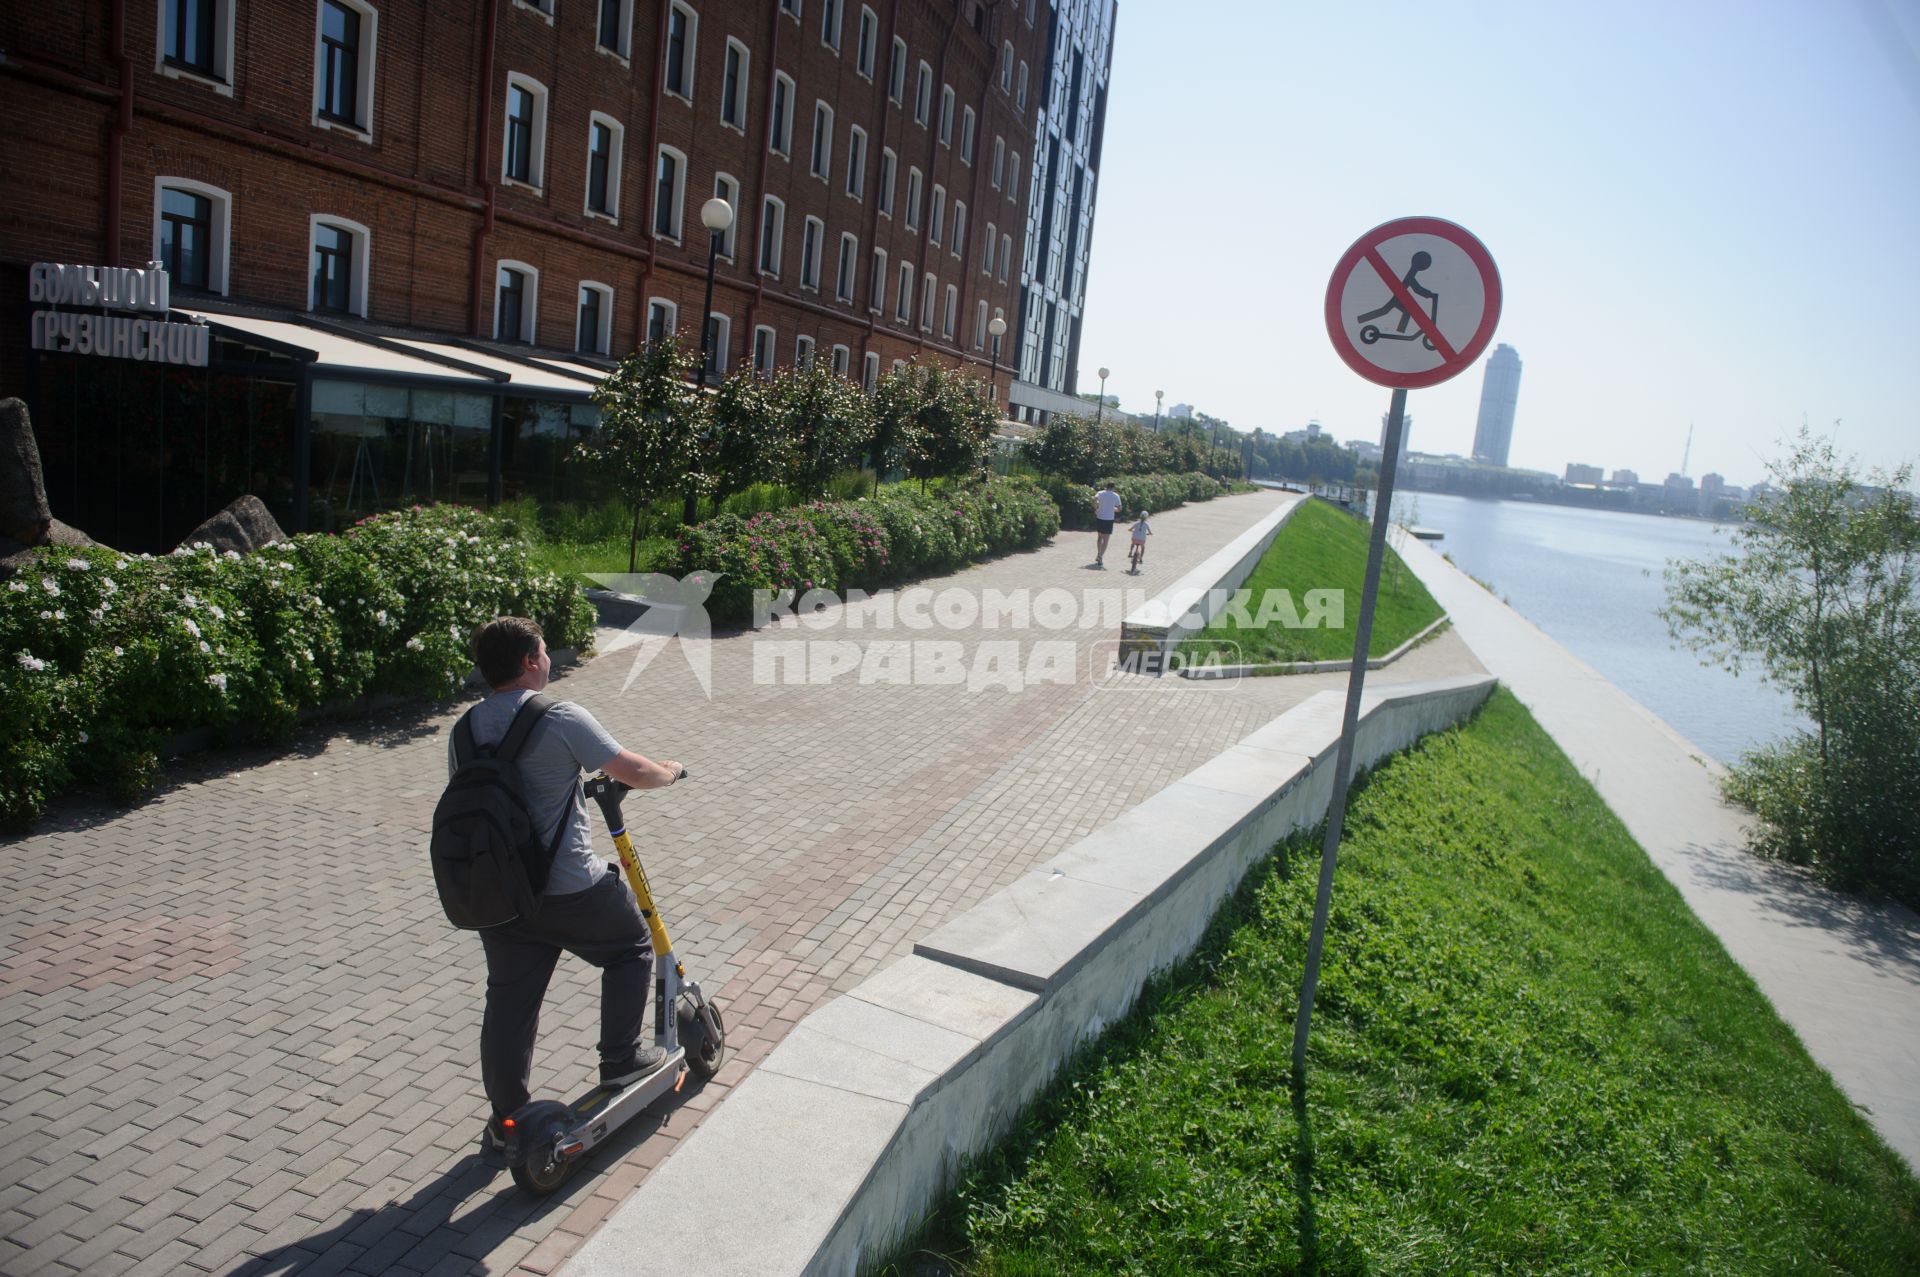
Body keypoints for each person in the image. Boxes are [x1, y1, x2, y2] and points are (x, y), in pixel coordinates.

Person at [452, 616, 685, 1159]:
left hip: (501, 896)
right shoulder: (558, 716)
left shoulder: (464, 730)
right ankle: (620, 1060)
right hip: (569, 888)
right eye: (543, 652)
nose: (548, 660)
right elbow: (633, 771)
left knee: (510, 999)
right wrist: (670, 771)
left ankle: (507, 1114)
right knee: (630, 948)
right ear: (531, 661)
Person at [1092, 481, 1123, 566]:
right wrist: (1113, 509)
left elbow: (1094, 499)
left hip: (1100, 517)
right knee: (1106, 539)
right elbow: (1119, 508)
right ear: (1113, 487)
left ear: (1106, 486)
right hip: (1109, 519)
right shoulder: (1116, 495)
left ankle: (1098, 553)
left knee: (1099, 537)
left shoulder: (1100, 493)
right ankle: (1101, 556)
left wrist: (1096, 508)